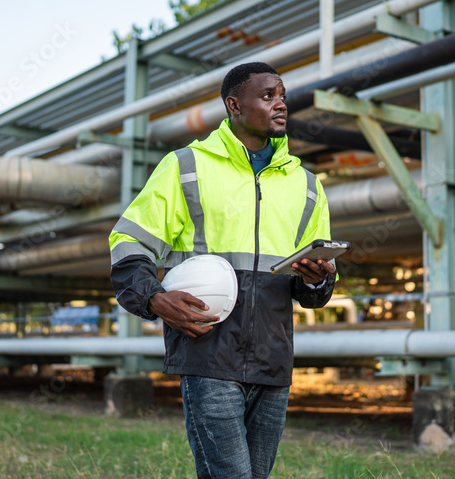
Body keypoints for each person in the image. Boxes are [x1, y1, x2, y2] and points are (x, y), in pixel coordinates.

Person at [109, 61, 336, 478]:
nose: (280, 103)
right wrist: (154, 297)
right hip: (206, 350)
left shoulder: (307, 185)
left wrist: (320, 278)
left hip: (273, 360)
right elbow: (128, 242)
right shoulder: (185, 166)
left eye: (282, 95)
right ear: (234, 104)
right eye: (267, 96)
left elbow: (313, 288)